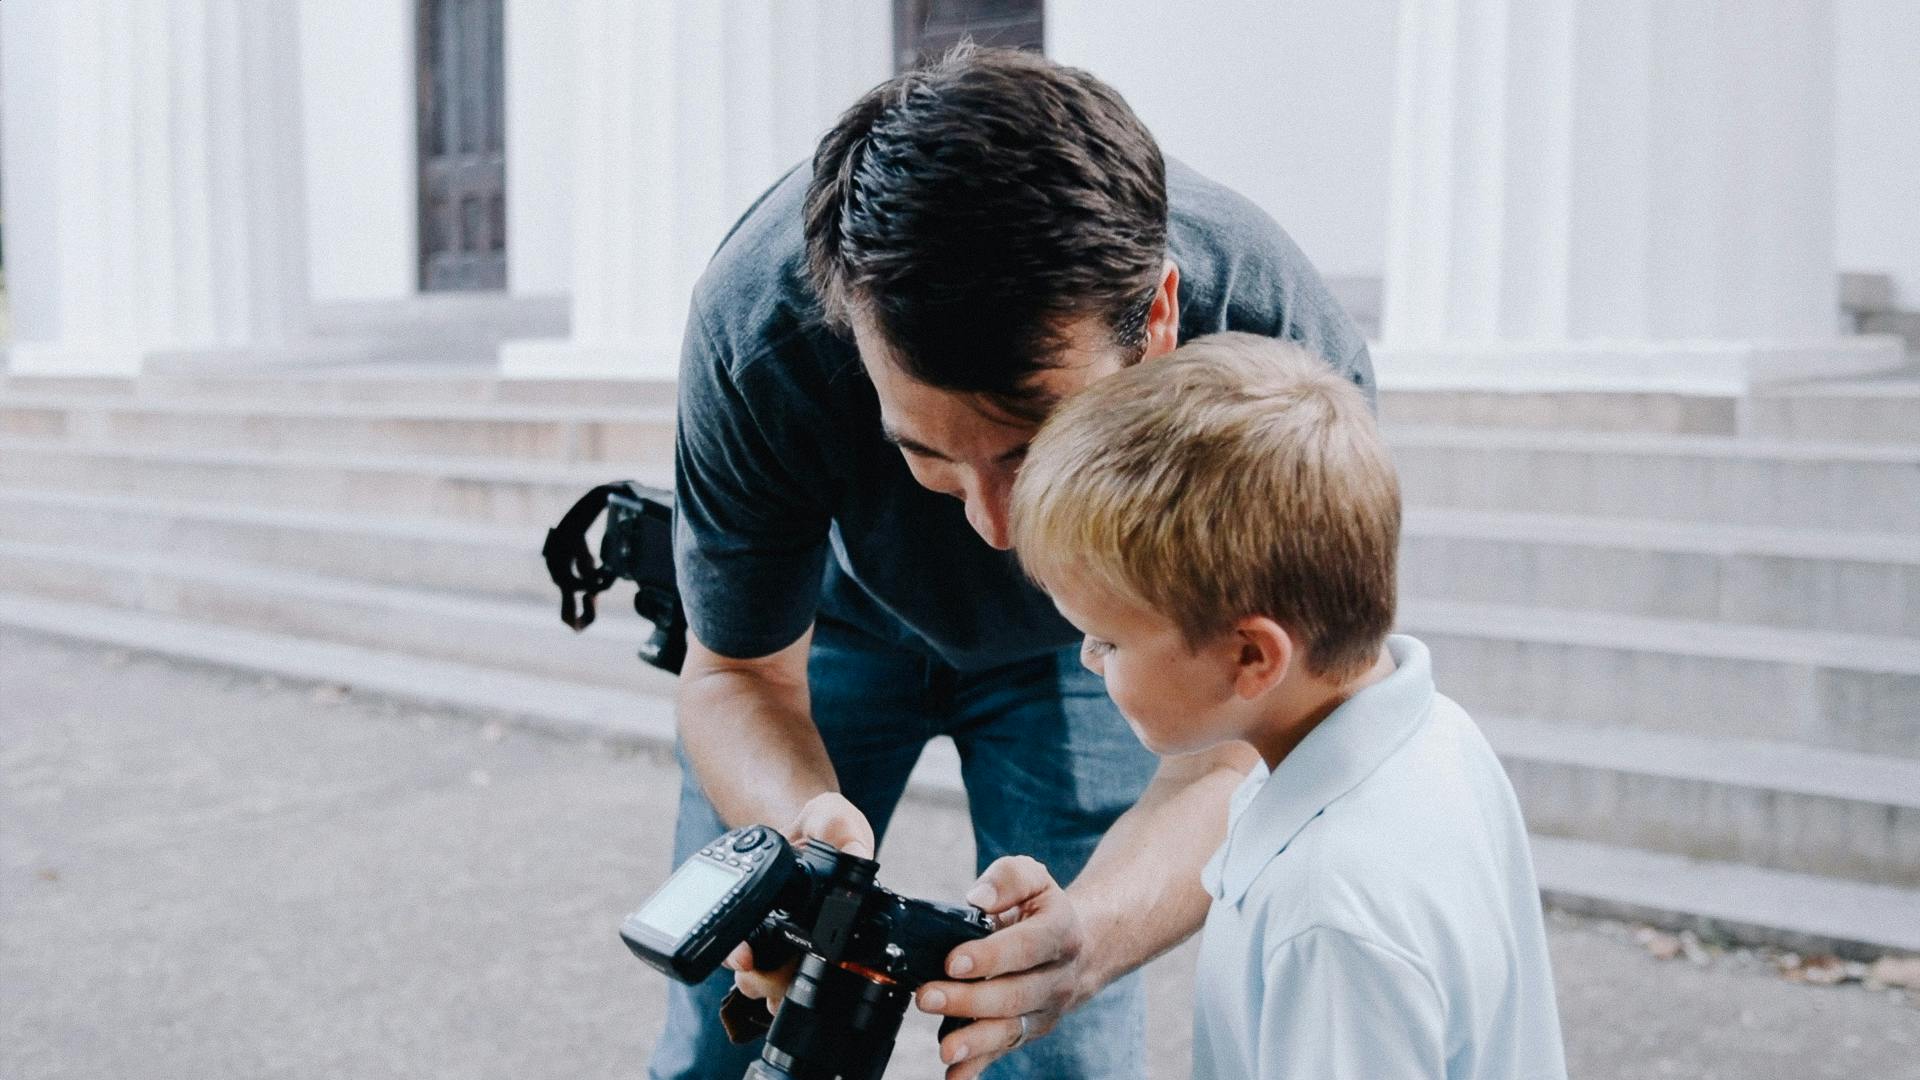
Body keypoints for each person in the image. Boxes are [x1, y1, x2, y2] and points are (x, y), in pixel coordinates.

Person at [658, 44, 1371, 1080]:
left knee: (1059, 1036)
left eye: (1036, 444)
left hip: (1099, 648)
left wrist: (1092, 939)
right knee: (729, 1026)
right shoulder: (757, 330)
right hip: (835, 626)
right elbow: (735, 674)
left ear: (1160, 322)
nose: (998, 530)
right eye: (927, 452)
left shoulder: (1276, 351)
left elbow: (1248, 743)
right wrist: (797, 843)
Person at [1004, 332, 1569, 1079]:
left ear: (1252, 657)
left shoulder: (1327, 912)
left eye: (1107, 640)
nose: (1087, 658)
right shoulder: (1437, 737)